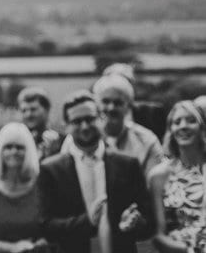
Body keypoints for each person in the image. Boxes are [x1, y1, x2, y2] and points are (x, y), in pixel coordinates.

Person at [39, 90, 154, 253]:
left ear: (101, 118)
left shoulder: (128, 164)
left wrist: (136, 222)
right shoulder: (51, 170)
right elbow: (46, 226)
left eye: (89, 119)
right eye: (77, 121)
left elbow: (149, 223)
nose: (85, 126)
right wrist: (87, 222)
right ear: (66, 125)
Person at [0, 122, 49, 253]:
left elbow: (51, 227)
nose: (14, 151)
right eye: (8, 147)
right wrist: (13, 248)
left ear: (29, 151)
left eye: (19, 147)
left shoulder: (41, 187)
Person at [149, 101, 206, 253]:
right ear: (171, 130)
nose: (183, 126)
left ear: (202, 127)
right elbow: (158, 236)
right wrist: (190, 250)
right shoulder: (159, 175)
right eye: (177, 122)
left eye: (191, 120)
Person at [92, 73, 164, 177]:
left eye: (118, 103)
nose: (111, 108)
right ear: (96, 104)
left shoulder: (147, 140)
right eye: (105, 101)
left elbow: (155, 181)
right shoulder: (82, 137)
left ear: (129, 105)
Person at [17, 87, 63, 161]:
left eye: (33, 109)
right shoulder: (16, 143)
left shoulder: (61, 141)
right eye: (24, 110)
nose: (28, 114)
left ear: (47, 110)